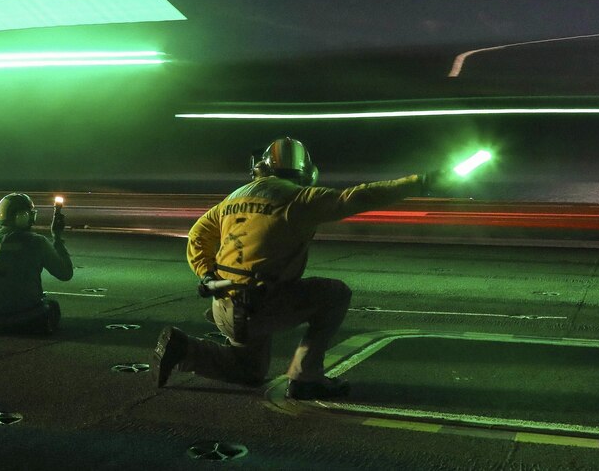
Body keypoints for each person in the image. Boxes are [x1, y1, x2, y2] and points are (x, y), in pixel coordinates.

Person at [153, 137, 447, 400]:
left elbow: (197, 235)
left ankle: (184, 349)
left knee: (249, 371)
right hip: (261, 305)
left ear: (263, 167)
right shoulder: (298, 198)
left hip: (224, 305)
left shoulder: (234, 197)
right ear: (304, 172)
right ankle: (306, 379)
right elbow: (357, 197)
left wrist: (206, 273)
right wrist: (420, 182)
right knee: (335, 295)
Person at [0, 193, 73, 336]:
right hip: (29, 321)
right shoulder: (36, 242)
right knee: (52, 305)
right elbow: (65, 273)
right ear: (22, 217)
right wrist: (57, 237)